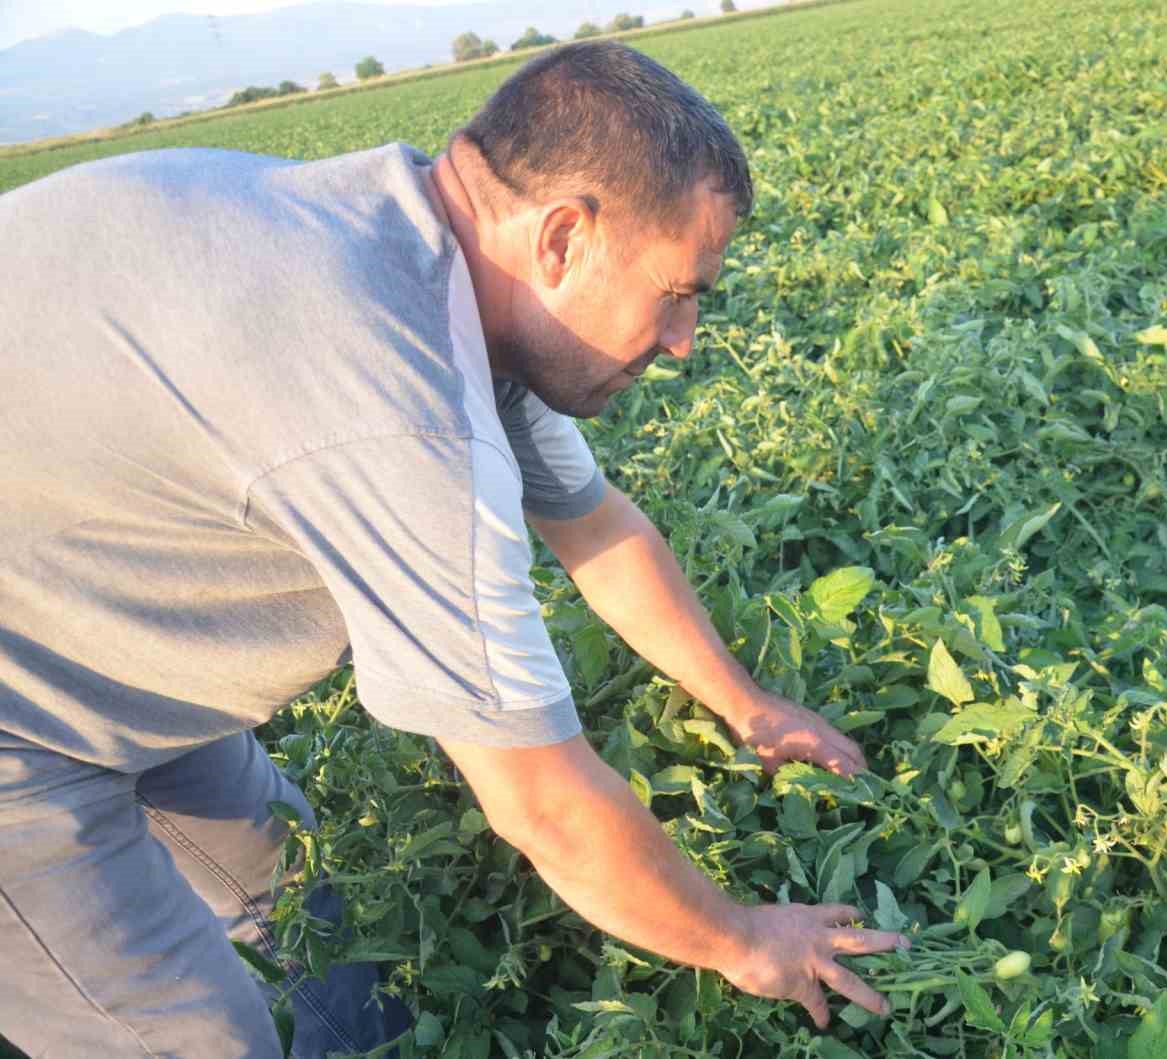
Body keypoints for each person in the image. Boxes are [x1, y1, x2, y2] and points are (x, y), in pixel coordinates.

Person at [0, 40, 907, 1058]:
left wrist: (748, 705)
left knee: (302, 901)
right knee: (200, 1039)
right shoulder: (398, 405)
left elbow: (595, 527)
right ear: (562, 238)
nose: (685, 338)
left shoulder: (422, 259)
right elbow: (546, 809)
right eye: (677, 292)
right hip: (16, 722)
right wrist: (741, 939)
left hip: (82, 624)